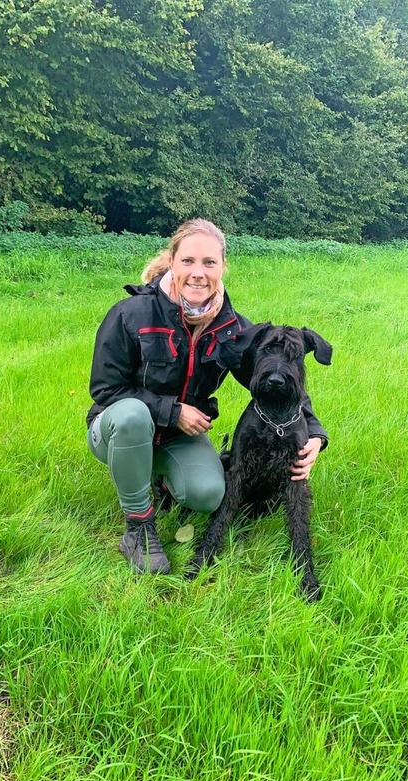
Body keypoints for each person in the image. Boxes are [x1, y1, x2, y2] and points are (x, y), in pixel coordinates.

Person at [86, 219, 328, 575]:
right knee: (133, 415)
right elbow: (105, 390)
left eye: (209, 263)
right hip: (116, 430)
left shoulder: (234, 331)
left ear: (222, 267)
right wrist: (173, 410)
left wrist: (316, 435)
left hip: (177, 438)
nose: (198, 273)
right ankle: (139, 526)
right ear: (172, 261)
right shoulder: (130, 313)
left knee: (208, 494)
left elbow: (272, 381)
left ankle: (163, 479)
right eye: (188, 261)